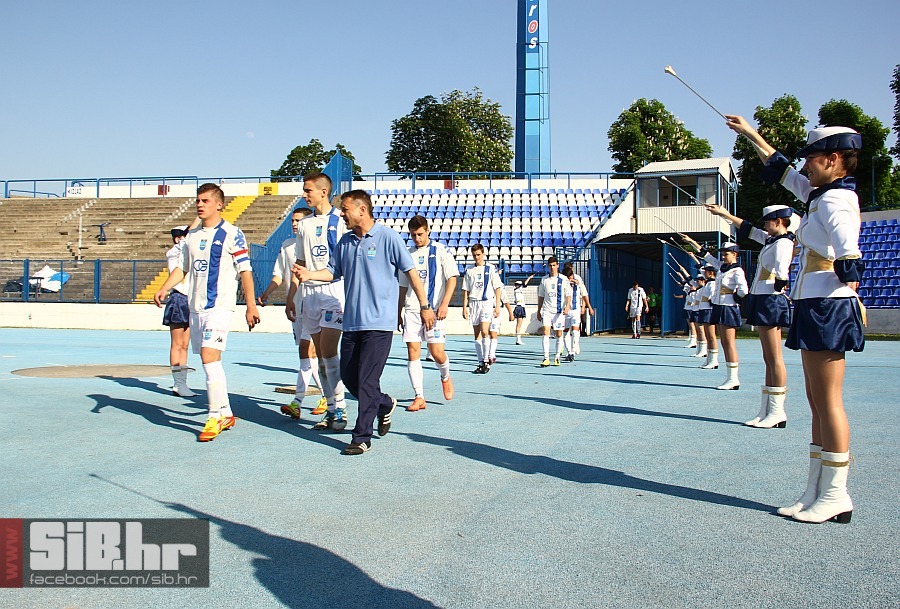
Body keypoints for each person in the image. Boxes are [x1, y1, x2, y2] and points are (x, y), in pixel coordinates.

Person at [727, 116, 864, 524]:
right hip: (813, 305)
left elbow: (849, 254)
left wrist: (852, 292)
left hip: (827, 306)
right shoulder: (821, 194)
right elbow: (783, 169)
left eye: (813, 159)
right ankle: (816, 488)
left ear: (833, 159)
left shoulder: (837, 201)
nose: (806, 167)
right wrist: (752, 134)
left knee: (828, 403)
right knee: (816, 403)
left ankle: (836, 493)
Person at [293, 190, 435, 455]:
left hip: (380, 323)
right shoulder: (345, 242)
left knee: (368, 381)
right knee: (349, 378)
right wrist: (308, 273)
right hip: (352, 323)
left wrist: (425, 306)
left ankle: (361, 437)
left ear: (361, 210)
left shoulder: (388, 238)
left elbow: (412, 274)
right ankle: (384, 404)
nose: (342, 214)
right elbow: (333, 272)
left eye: (345, 209)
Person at [154, 183, 260, 442]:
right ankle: (225, 410)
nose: (200, 205)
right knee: (208, 360)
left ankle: (214, 415)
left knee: (209, 358)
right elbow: (183, 268)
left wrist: (251, 305)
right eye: (198, 201)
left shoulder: (232, 234)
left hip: (220, 306)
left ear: (219, 204)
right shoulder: (191, 236)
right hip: (196, 307)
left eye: (205, 201)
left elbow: (245, 271)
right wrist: (164, 287)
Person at [705, 203, 795, 428]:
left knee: (774, 358)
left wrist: (780, 286)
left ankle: (777, 411)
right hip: (762, 297)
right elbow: (749, 229)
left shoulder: (783, 242)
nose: (764, 225)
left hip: (770, 299)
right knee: (768, 357)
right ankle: (766, 410)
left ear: (779, 221)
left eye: (768, 221)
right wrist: (724, 214)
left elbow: (782, 271)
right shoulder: (771, 240)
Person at [286, 173, 348, 431]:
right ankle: (331, 409)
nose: (304, 194)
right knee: (320, 358)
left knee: (330, 353)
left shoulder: (340, 222)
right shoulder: (305, 225)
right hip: (308, 296)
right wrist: (292, 296)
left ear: (323, 192)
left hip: (333, 292)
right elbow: (299, 262)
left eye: (308, 190)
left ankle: (341, 408)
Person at [256, 207, 327, 417]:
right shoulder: (287, 246)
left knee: (311, 352)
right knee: (306, 354)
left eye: (299, 221)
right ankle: (325, 396)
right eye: (293, 221)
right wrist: (266, 293)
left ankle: (303, 400)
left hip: (315, 303)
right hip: (296, 306)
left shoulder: (314, 243)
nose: (295, 224)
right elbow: (279, 275)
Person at [398, 215, 458, 412]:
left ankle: (445, 376)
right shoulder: (407, 254)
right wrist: (398, 309)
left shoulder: (441, 251)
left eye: (420, 234)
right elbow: (402, 285)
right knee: (413, 352)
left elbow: (452, 279)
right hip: (412, 310)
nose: (417, 238)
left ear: (428, 231)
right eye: (413, 235)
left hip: (434, 310)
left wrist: (444, 304)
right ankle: (419, 396)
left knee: (436, 353)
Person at [682, 236, 749, 389]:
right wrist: (691, 241)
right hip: (719, 307)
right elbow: (706, 255)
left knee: (729, 343)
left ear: (735, 254)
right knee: (724, 343)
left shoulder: (737, 270)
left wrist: (733, 297)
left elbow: (744, 290)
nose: (723, 256)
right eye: (723, 254)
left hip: (728, 307)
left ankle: (733, 379)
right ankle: (729, 376)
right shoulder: (721, 267)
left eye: (727, 254)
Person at [461, 243, 503, 374]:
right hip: (474, 303)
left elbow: (497, 287)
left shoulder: (490, 269)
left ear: (483, 254)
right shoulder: (469, 270)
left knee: (485, 331)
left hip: (486, 302)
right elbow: (466, 290)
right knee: (477, 334)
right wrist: (464, 307)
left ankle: (486, 361)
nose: (476, 257)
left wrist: (497, 306)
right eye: (474, 255)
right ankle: (480, 362)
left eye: (478, 255)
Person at [163, 225, 194, 397]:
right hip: (178, 297)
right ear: (178, 238)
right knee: (177, 343)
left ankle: (183, 383)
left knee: (185, 344)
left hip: (189, 299)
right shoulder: (174, 252)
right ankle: (178, 382)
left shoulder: (186, 251)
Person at [536, 256, 572, 366]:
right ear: (548, 267)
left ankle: (557, 357)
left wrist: (567, 306)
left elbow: (568, 294)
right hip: (547, 310)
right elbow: (541, 296)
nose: (552, 268)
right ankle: (546, 358)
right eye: (550, 266)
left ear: (558, 265)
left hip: (559, 311)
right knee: (546, 332)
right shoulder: (544, 280)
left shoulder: (563, 279)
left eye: (554, 265)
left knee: (559, 334)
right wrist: (539, 310)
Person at [562, 267, 594, 361]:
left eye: (569, 277)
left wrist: (589, 307)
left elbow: (584, 294)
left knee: (575, 330)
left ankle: (572, 352)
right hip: (565, 311)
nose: (568, 279)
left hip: (575, 310)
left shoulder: (578, 280)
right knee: (565, 332)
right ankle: (568, 352)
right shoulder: (561, 281)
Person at [487, 291, 515, 364]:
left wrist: (511, 314)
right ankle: (487, 353)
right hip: (485, 310)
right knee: (486, 334)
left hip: (495, 312)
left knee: (493, 333)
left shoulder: (500, 287)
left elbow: (506, 301)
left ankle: (491, 355)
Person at [512, 274, 535, 345]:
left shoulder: (517, 291)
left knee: (519, 324)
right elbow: (525, 284)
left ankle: (518, 339)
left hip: (519, 307)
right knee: (519, 325)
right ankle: (518, 339)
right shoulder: (518, 289)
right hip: (519, 307)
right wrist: (529, 278)